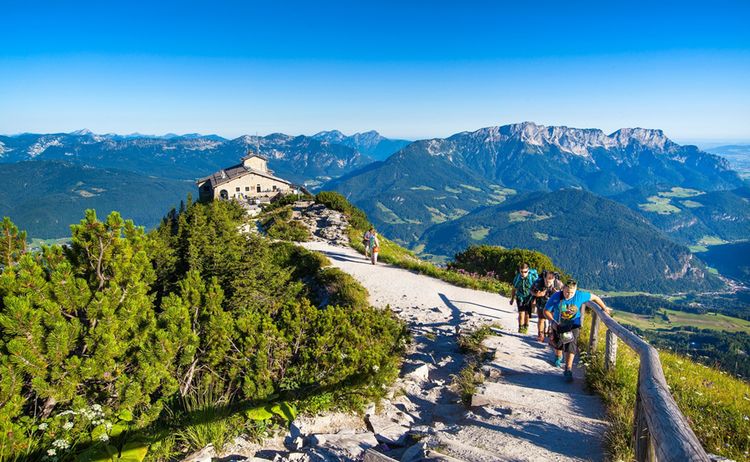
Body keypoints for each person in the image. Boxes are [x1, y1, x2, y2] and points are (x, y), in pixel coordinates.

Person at [544, 279, 611, 382]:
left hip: (573, 324)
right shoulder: (556, 296)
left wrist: (604, 307)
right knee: (558, 344)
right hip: (558, 323)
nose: (568, 294)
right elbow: (546, 311)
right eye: (566, 292)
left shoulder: (580, 295)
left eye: (571, 293)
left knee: (571, 344)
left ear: (575, 291)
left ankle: (568, 369)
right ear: (563, 289)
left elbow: (595, 297)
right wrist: (553, 322)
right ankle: (558, 356)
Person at [531, 270, 563, 343]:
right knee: (541, 319)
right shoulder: (539, 282)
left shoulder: (559, 284)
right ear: (544, 278)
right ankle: (541, 335)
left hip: (553, 304)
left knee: (552, 319)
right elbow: (531, 290)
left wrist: (558, 294)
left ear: (554, 279)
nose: (548, 283)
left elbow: (565, 295)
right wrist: (537, 294)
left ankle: (552, 335)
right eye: (547, 281)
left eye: (550, 282)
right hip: (541, 303)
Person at [509, 263, 536, 334]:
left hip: (529, 298)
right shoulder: (517, 278)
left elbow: (536, 289)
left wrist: (535, 299)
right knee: (521, 313)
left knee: (527, 314)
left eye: (525, 272)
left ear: (528, 270)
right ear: (519, 271)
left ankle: (526, 327)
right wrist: (512, 299)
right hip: (520, 297)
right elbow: (514, 289)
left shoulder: (532, 278)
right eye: (521, 271)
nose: (523, 273)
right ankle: (520, 328)